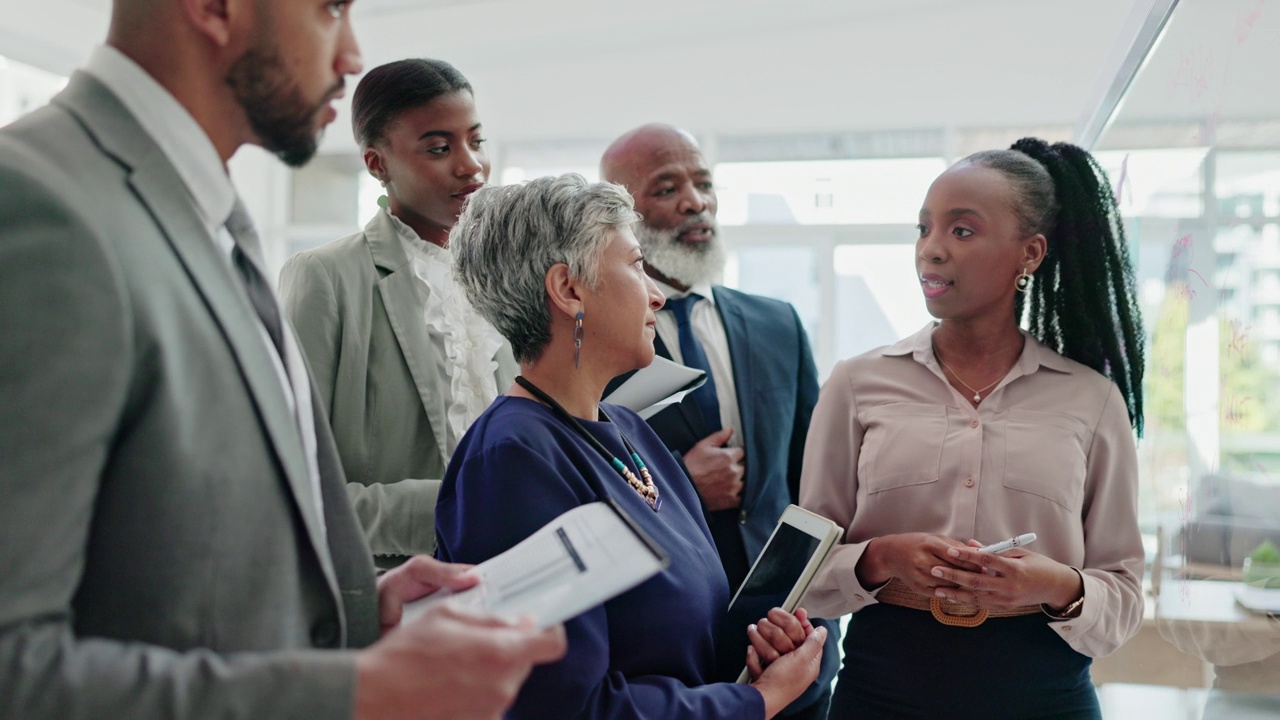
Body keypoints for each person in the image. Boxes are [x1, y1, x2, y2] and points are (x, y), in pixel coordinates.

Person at [0, 1, 564, 718]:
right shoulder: (41, 205)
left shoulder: (206, 217)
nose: (352, 54)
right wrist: (356, 691)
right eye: (330, 9)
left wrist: (352, 613)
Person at [439, 173, 827, 719]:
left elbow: (679, 639)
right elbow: (567, 706)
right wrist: (757, 700)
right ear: (568, 289)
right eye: (636, 264)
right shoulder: (513, 458)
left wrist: (756, 652)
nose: (656, 294)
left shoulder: (629, 428)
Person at [799, 138, 1146, 719]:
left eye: (961, 231)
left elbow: (1125, 596)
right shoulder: (857, 385)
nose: (930, 251)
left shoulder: (1091, 399)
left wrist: (1052, 585)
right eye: (924, 229)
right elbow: (804, 572)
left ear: (1029, 254)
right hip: (882, 694)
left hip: (1046, 698)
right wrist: (881, 557)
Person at [600, 123, 838, 718]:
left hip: (788, 633)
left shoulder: (776, 322)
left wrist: (821, 621)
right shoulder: (592, 344)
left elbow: (813, 485)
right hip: (664, 651)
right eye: (666, 187)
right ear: (618, 213)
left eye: (703, 184)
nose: (695, 202)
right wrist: (680, 481)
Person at [279, 58, 513, 564]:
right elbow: (292, 486)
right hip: (392, 591)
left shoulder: (505, 276)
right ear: (377, 164)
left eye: (476, 141)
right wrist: (457, 510)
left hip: (515, 574)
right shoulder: (325, 277)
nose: (470, 164)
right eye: (438, 148)